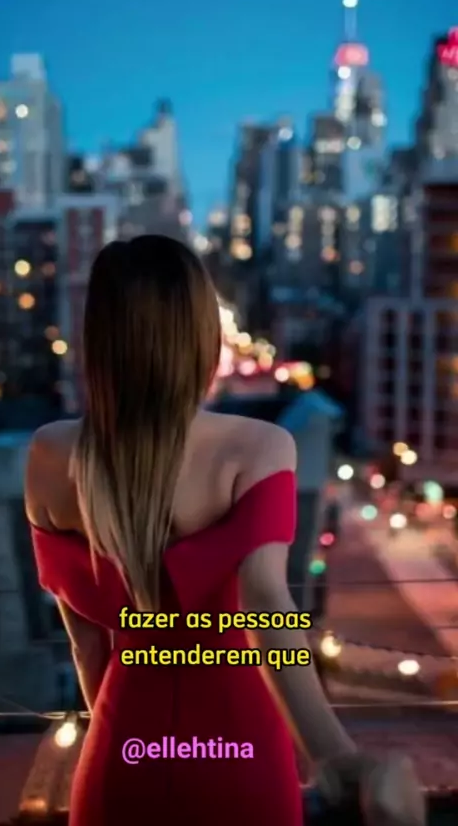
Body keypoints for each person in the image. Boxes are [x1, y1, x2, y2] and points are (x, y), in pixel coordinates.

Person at [25, 235, 424, 826]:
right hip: (240, 752)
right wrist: (335, 756)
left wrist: (127, 737)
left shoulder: (49, 454)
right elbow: (267, 609)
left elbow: (87, 643)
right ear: (202, 336)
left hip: (122, 753)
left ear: (100, 340)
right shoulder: (259, 447)